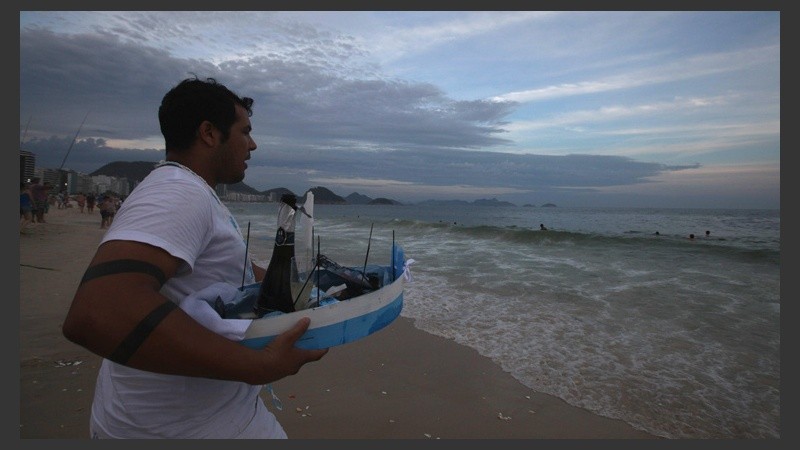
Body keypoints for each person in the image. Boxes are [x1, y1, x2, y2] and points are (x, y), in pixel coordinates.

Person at [62, 76, 328, 439]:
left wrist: (310, 294)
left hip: (183, 418)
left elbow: (230, 272)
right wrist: (257, 366)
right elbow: (98, 311)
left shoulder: (190, 192)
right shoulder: (179, 193)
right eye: (244, 131)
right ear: (209, 133)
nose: (253, 144)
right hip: (183, 428)